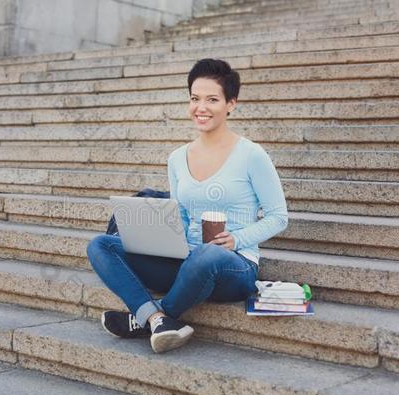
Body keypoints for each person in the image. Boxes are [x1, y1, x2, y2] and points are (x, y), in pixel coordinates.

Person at [86, 58, 288, 353]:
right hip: (185, 262)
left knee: (208, 254)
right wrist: (158, 236)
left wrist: (236, 240)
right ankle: (157, 320)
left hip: (234, 267)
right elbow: (179, 215)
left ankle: (142, 319)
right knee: (100, 245)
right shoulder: (177, 158)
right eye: (194, 99)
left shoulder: (252, 155)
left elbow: (279, 217)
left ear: (231, 104)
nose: (200, 107)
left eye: (212, 99)